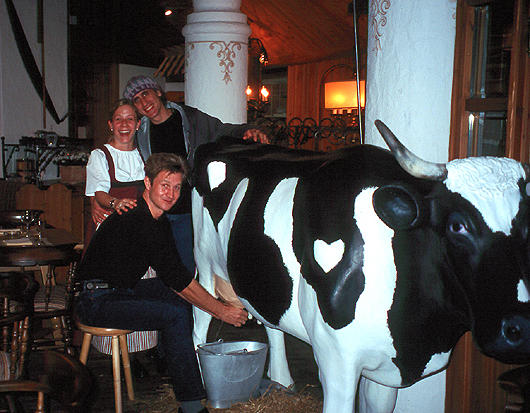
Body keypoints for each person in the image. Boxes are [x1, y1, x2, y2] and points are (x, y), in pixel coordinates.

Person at [75, 153, 248, 413]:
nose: (171, 193)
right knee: (174, 314)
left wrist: (218, 301)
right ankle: (190, 405)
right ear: (148, 183)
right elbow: (178, 279)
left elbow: (175, 275)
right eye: (164, 185)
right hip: (95, 300)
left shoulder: (158, 220)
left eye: (177, 187)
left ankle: (179, 373)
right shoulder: (140, 219)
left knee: (177, 302)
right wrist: (221, 311)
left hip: (120, 289)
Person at [91, 75, 268, 274]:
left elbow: (222, 129)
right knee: (156, 272)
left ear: (158, 92)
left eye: (145, 94)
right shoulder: (140, 132)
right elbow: (115, 159)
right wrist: (95, 198)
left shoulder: (190, 118)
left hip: (186, 213)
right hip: (155, 215)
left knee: (186, 270)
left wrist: (249, 130)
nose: (144, 102)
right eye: (137, 100)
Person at [85, 99, 145, 245]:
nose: (124, 124)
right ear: (111, 125)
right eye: (119, 119)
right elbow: (99, 193)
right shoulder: (100, 155)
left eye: (130, 119)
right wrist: (115, 202)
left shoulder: (145, 154)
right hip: (111, 228)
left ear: (137, 125)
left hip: (141, 229)